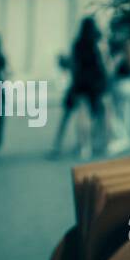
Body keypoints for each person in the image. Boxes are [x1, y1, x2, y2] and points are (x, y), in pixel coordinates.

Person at [51, 17, 109, 159]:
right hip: (95, 84)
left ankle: (59, 145)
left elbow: (74, 64)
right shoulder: (98, 43)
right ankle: (94, 145)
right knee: (96, 114)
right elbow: (104, 64)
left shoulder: (78, 44)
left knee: (69, 115)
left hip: (80, 83)